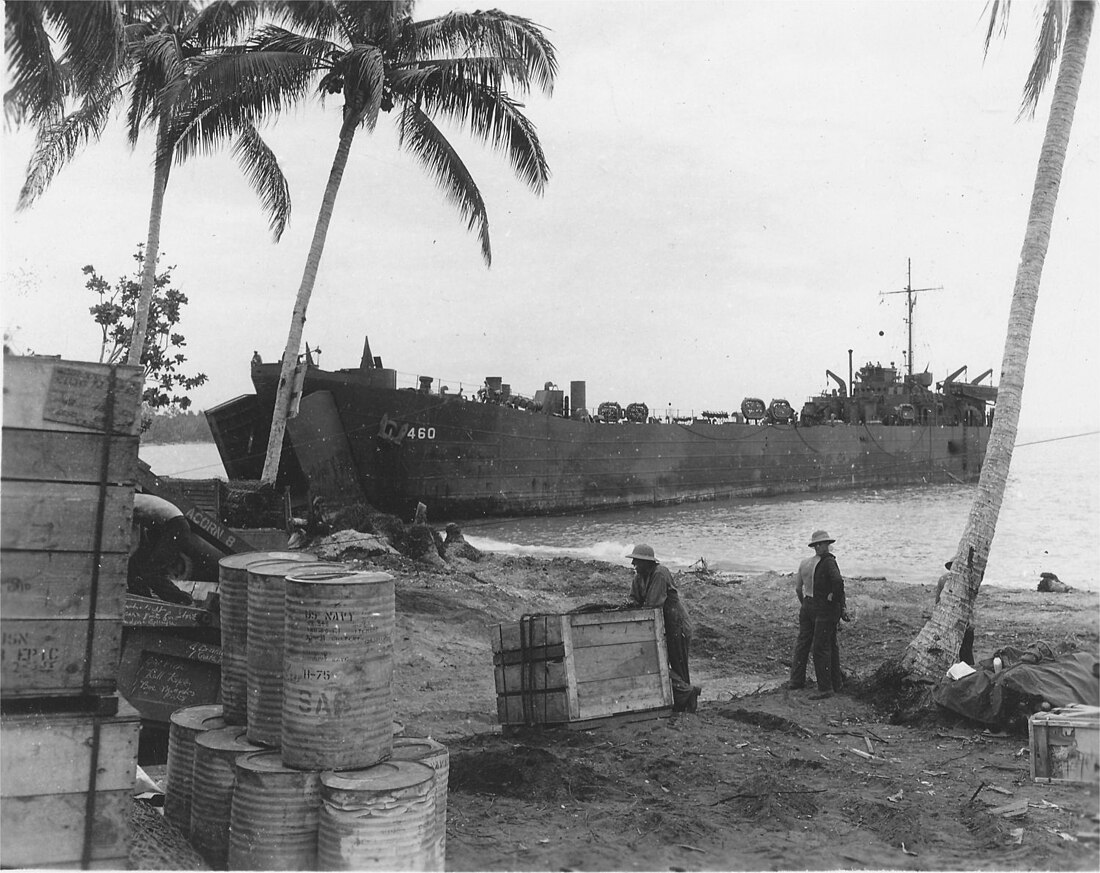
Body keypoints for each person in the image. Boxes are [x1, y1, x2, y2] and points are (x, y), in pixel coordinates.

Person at [626, 544, 699, 712]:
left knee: (679, 664)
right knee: (662, 662)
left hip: (677, 623)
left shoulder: (660, 573)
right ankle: (685, 695)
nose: (633, 565)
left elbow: (653, 604)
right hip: (663, 624)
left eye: (636, 561)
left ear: (647, 562)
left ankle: (687, 700)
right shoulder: (639, 577)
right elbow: (634, 598)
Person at [788, 530, 848, 699]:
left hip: (807, 602)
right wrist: (835, 599)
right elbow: (837, 582)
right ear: (821, 545)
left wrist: (804, 604)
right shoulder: (826, 561)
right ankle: (829, 686)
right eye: (823, 544)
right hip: (821, 606)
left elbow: (798, 588)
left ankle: (796, 681)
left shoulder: (805, 563)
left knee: (803, 643)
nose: (824, 547)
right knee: (825, 645)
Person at [128, 493, 193, 604]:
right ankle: (142, 597)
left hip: (176, 526)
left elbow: (134, 539)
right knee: (135, 563)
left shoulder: (127, 501)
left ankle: (181, 600)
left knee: (151, 570)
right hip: (169, 525)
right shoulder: (134, 502)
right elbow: (140, 540)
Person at [935, 560, 975, 665]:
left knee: (965, 652)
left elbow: (969, 604)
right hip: (951, 620)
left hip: (958, 621)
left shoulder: (964, 581)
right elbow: (938, 603)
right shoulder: (944, 580)